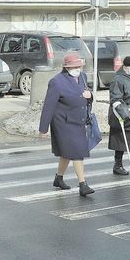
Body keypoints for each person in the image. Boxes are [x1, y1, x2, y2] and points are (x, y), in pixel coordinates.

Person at [39, 53, 95, 196]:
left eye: (79, 66)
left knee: (67, 152)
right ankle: (83, 184)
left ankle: (58, 178)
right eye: (74, 67)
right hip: (63, 123)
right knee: (77, 152)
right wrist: (43, 129)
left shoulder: (82, 77)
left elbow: (86, 94)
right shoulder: (57, 82)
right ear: (66, 67)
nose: (77, 69)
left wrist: (90, 96)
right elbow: (48, 106)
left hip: (78, 120)